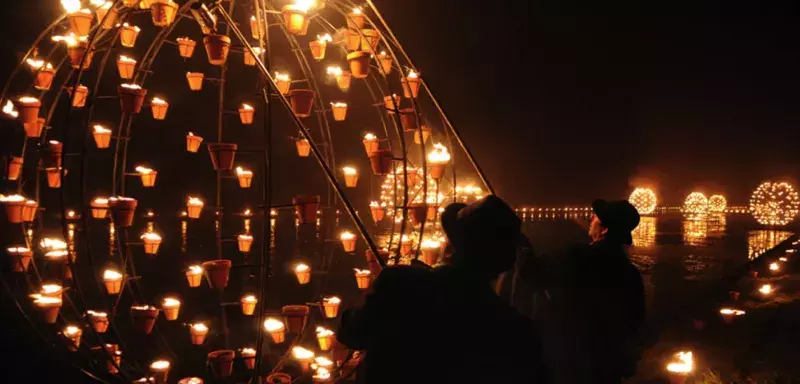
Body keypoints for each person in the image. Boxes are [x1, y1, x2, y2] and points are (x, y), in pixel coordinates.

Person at [337, 195, 546, 383]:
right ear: (506, 264)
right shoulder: (513, 327)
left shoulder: (399, 284)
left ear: (452, 246)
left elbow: (352, 333)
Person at [517, 199, 646, 384]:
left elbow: (530, 273)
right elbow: (636, 321)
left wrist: (524, 249)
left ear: (604, 229)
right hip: (607, 367)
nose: (591, 220)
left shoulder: (576, 256)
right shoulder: (630, 273)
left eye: (595, 218)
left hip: (569, 361)